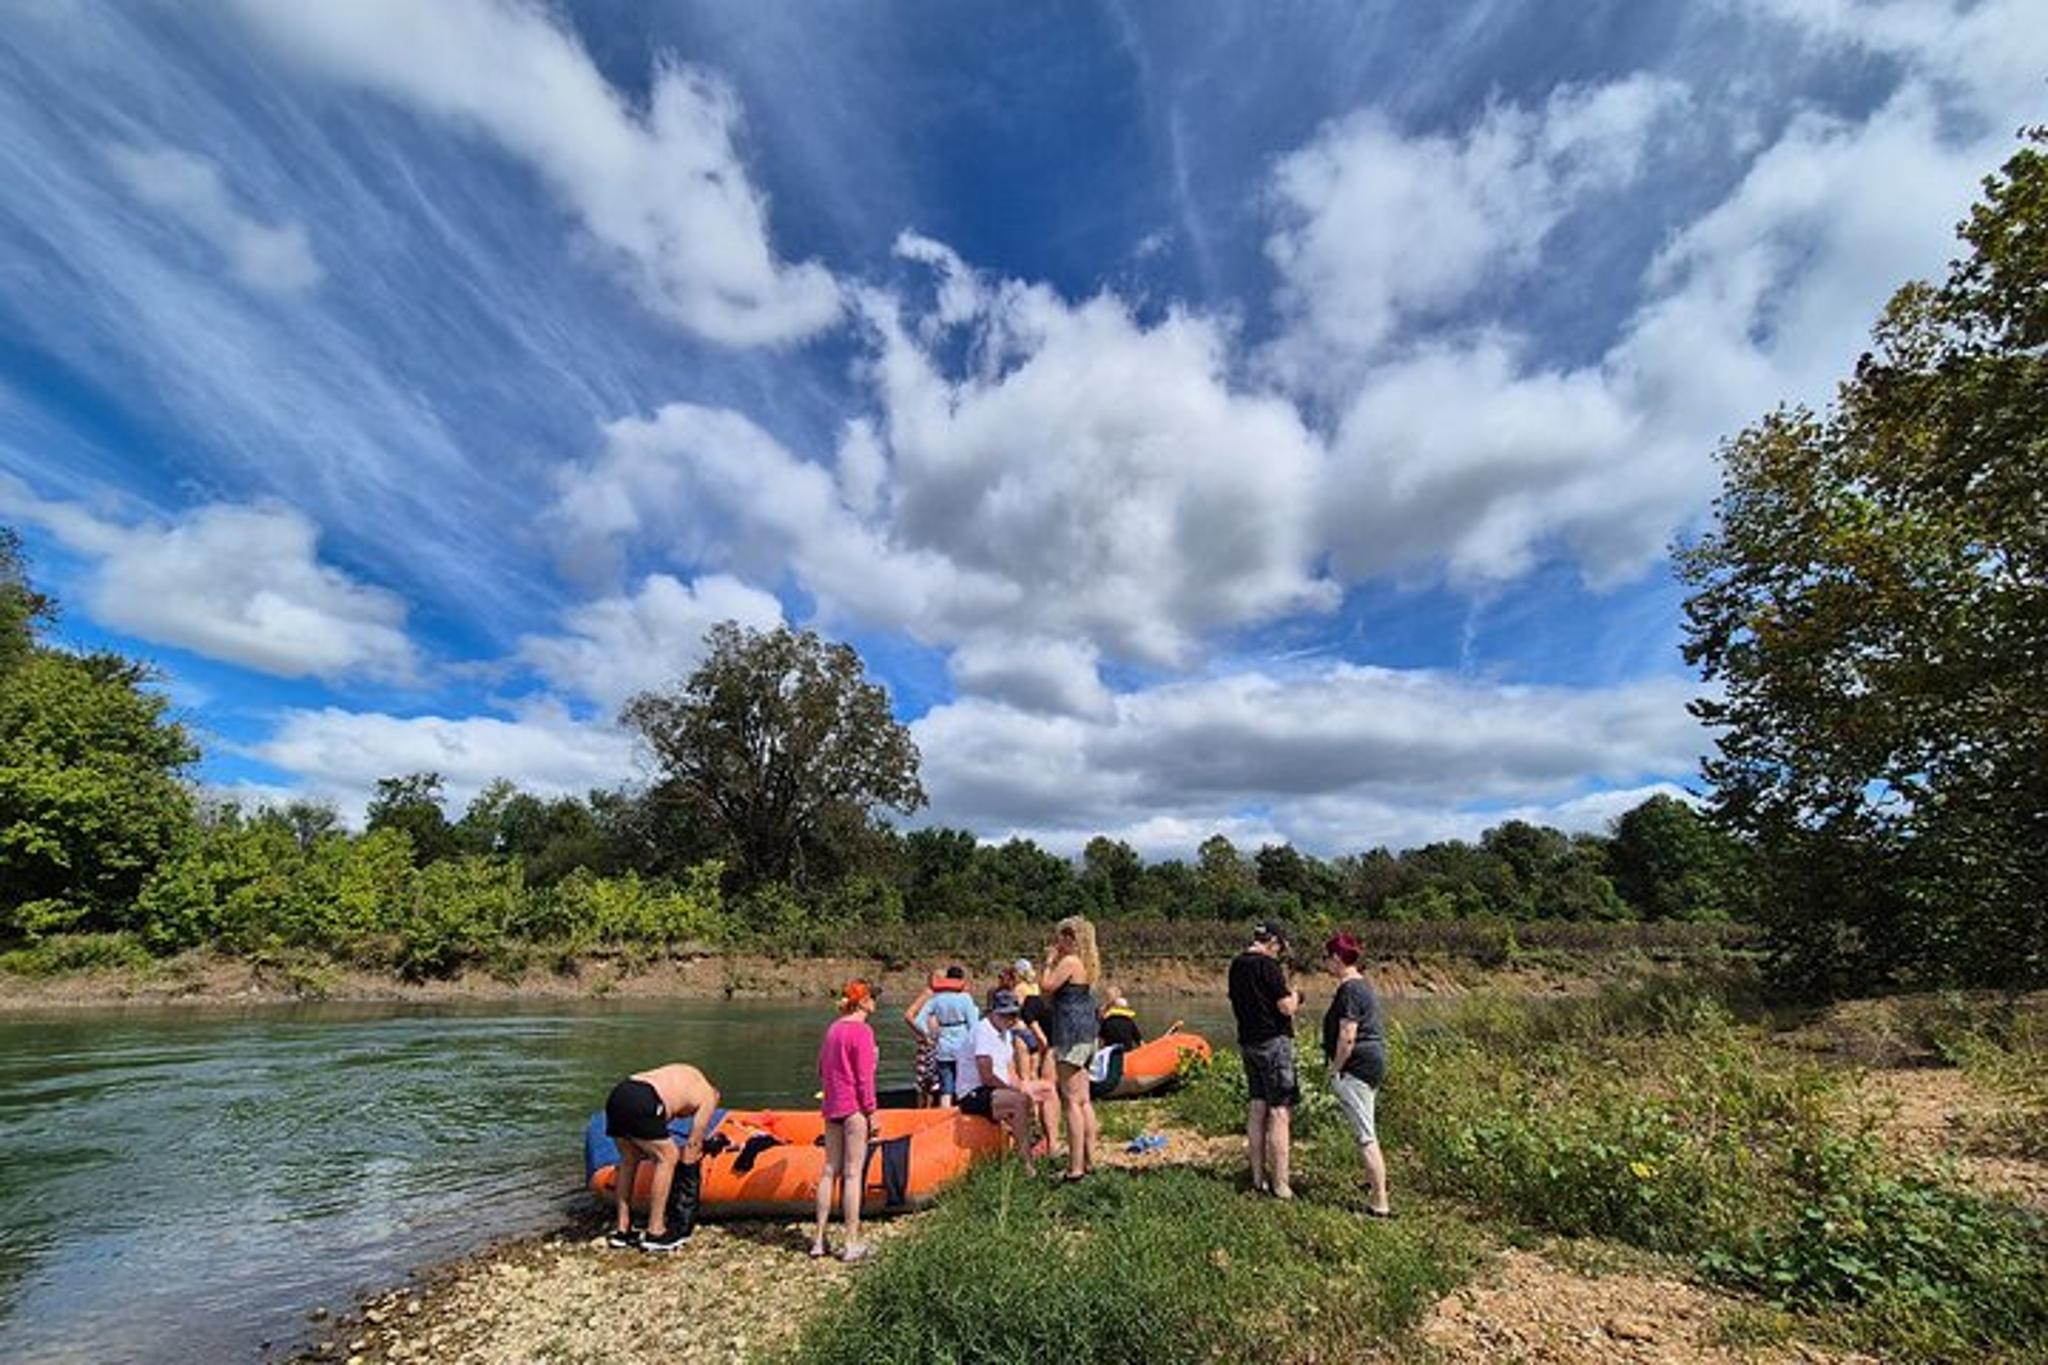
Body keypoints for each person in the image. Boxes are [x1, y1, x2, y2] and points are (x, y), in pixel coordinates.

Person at [603, 1061, 720, 1252]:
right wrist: (689, 1177)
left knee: (629, 1160)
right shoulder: (709, 1096)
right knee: (668, 1157)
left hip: (620, 1093)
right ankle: (655, 1231)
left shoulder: (688, 1075)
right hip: (644, 1098)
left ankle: (622, 1230)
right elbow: (693, 1145)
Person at [1228, 920, 1301, 1199]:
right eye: (1279, 947)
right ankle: (1281, 1184)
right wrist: (1297, 996)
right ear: (1273, 942)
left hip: (1248, 1043)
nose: (1279, 952)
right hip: (1273, 1043)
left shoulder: (1237, 965)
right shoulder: (1268, 966)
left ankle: (1258, 1178)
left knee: (1257, 1108)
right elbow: (1285, 1007)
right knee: (1280, 1113)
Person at [1322, 933, 1392, 1217]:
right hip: (1371, 1062)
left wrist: (1335, 1068)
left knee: (1365, 1135)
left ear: (1337, 959)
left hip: (1357, 1066)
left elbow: (1347, 1036)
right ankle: (1373, 1182)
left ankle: (1380, 1203)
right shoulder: (1361, 985)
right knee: (1367, 1125)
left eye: (1326, 958)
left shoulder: (1349, 990)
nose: (1324, 963)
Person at [813, 979, 881, 1261]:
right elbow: (864, 1079)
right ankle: (851, 1242)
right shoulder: (862, 1032)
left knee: (830, 1170)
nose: (876, 1002)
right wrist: (872, 1111)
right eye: (873, 997)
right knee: (853, 1174)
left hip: (832, 1106)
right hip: (854, 1109)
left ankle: (818, 1240)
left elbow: (820, 1069)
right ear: (863, 1002)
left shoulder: (833, 1029)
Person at [957, 988, 1054, 1173]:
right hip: (974, 1092)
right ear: (993, 1012)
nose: (1010, 1020)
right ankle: (1026, 1164)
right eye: (1005, 1016)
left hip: (997, 1089)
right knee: (1019, 1100)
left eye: (1013, 1016)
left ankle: (1051, 1145)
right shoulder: (983, 1031)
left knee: (1047, 1090)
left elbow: (1010, 1069)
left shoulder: (1006, 1032)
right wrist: (1015, 1091)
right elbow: (986, 1076)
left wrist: (1021, 1085)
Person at [1041, 916, 1102, 1180]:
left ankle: (1075, 1168)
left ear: (1071, 938)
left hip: (1071, 1035)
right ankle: (1090, 1160)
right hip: (1088, 1034)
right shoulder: (1088, 963)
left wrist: (1047, 963)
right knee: (1084, 1100)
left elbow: (1046, 988)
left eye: (1062, 936)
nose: (1057, 941)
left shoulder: (1069, 962)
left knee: (1071, 1102)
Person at [913, 965, 980, 1107]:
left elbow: (918, 1020)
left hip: (943, 1046)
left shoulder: (937, 998)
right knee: (963, 1084)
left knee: (946, 1086)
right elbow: (974, 1026)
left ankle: (945, 1114)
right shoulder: (965, 998)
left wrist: (928, 1036)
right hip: (963, 1046)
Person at [901, 972, 944, 1108]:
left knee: (933, 1082)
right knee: (924, 1083)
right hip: (927, 1043)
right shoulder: (928, 993)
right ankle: (922, 1112)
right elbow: (908, 1015)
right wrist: (924, 1034)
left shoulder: (941, 995)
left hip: (937, 1043)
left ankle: (930, 1111)